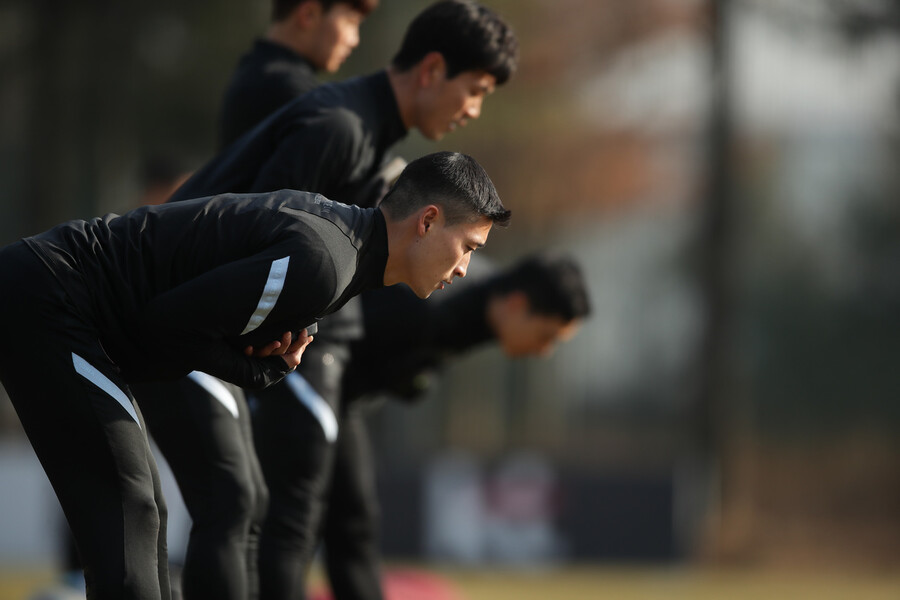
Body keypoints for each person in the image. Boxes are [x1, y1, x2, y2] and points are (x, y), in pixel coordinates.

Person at [0, 151, 510, 600]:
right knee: (131, 504)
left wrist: (249, 355)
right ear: (427, 220)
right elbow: (163, 327)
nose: (464, 268)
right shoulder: (326, 263)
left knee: (145, 507)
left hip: (57, 301)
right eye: (468, 246)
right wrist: (254, 370)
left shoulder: (340, 243)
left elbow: (182, 318)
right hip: (50, 299)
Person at [136, 2, 519, 599]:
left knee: (252, 508)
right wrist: (255, 350)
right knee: (247, 510)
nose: (473, 109)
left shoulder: (360, 127)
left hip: (217, 332)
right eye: (475, 90)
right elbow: (252, 243)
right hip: (179, 321)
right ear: (433, 69)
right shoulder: (337, 127)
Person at [254, 253, 591, 600]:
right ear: (518, 304)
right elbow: (337, 333)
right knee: (297, 522)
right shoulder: (431, 303)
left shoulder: (481, 301)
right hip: (302, 381)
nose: (545, 351)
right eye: (547, 335)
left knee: (355, 522)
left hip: (339, 400)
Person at [219, 0, 379, 148]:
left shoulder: (255, 70)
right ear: (309, 15)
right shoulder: (290, 92)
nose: (354, 40)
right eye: (351, 22)